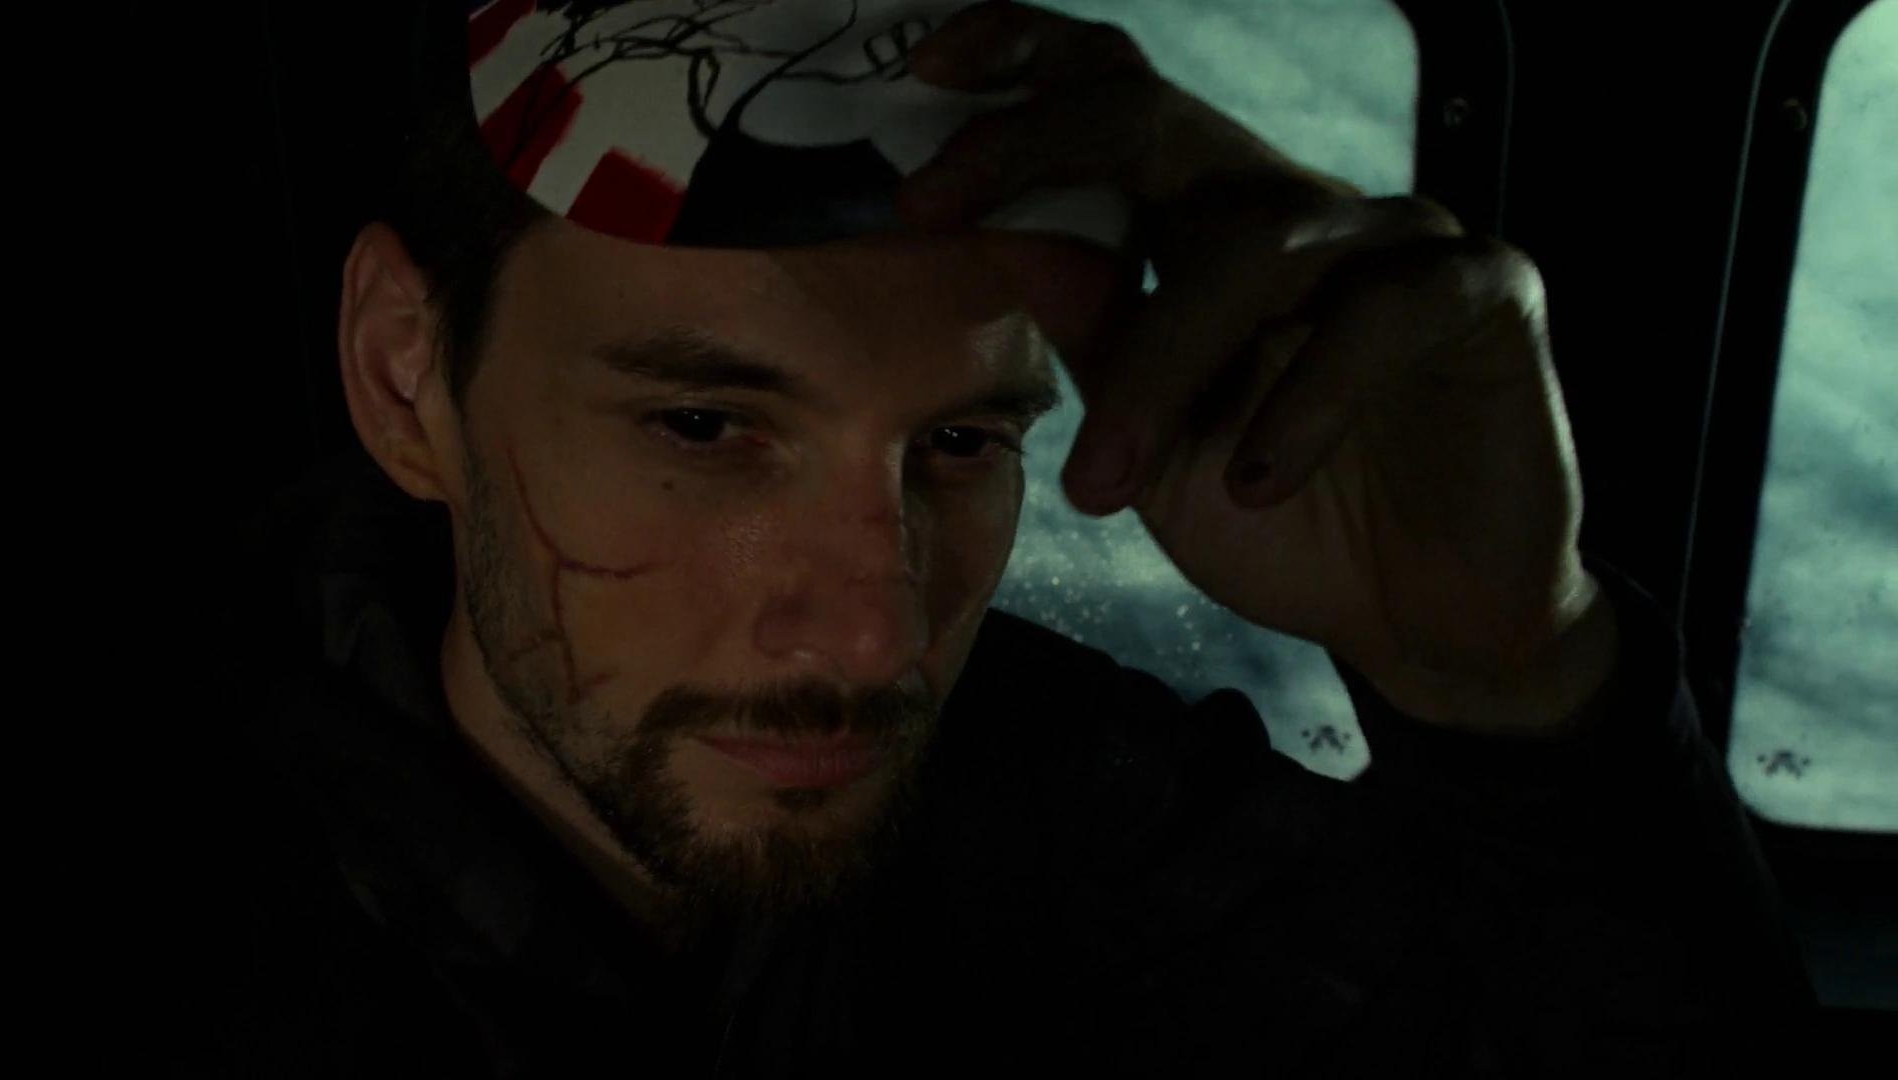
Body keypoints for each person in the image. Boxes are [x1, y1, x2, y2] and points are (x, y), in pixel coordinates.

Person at [176, 1, 1815, 1075]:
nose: (879, 640)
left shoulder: (1060, 809)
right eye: (704, 430)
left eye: (960, 444)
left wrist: (1511, 676)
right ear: (405, 375)